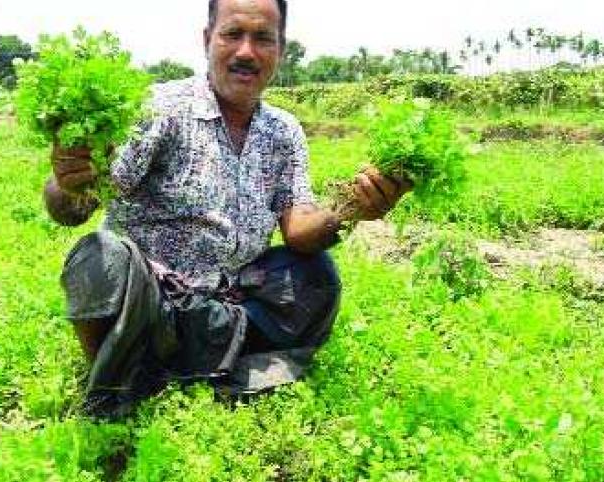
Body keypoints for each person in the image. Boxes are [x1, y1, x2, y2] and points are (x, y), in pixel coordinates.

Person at [43, 0, 411, 417]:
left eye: (263, 39)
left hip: (230, 302)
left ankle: (185, 365)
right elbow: (73, 208)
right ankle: (116, 384)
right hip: (148, 305)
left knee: (316, 276)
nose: (246, 52)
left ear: (281, 50)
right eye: (233, 35)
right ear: (207, 40)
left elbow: (299, 231)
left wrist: (349, 210)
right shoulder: (158, 109)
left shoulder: (284, 131)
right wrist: (68, 181)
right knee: (99, 259)